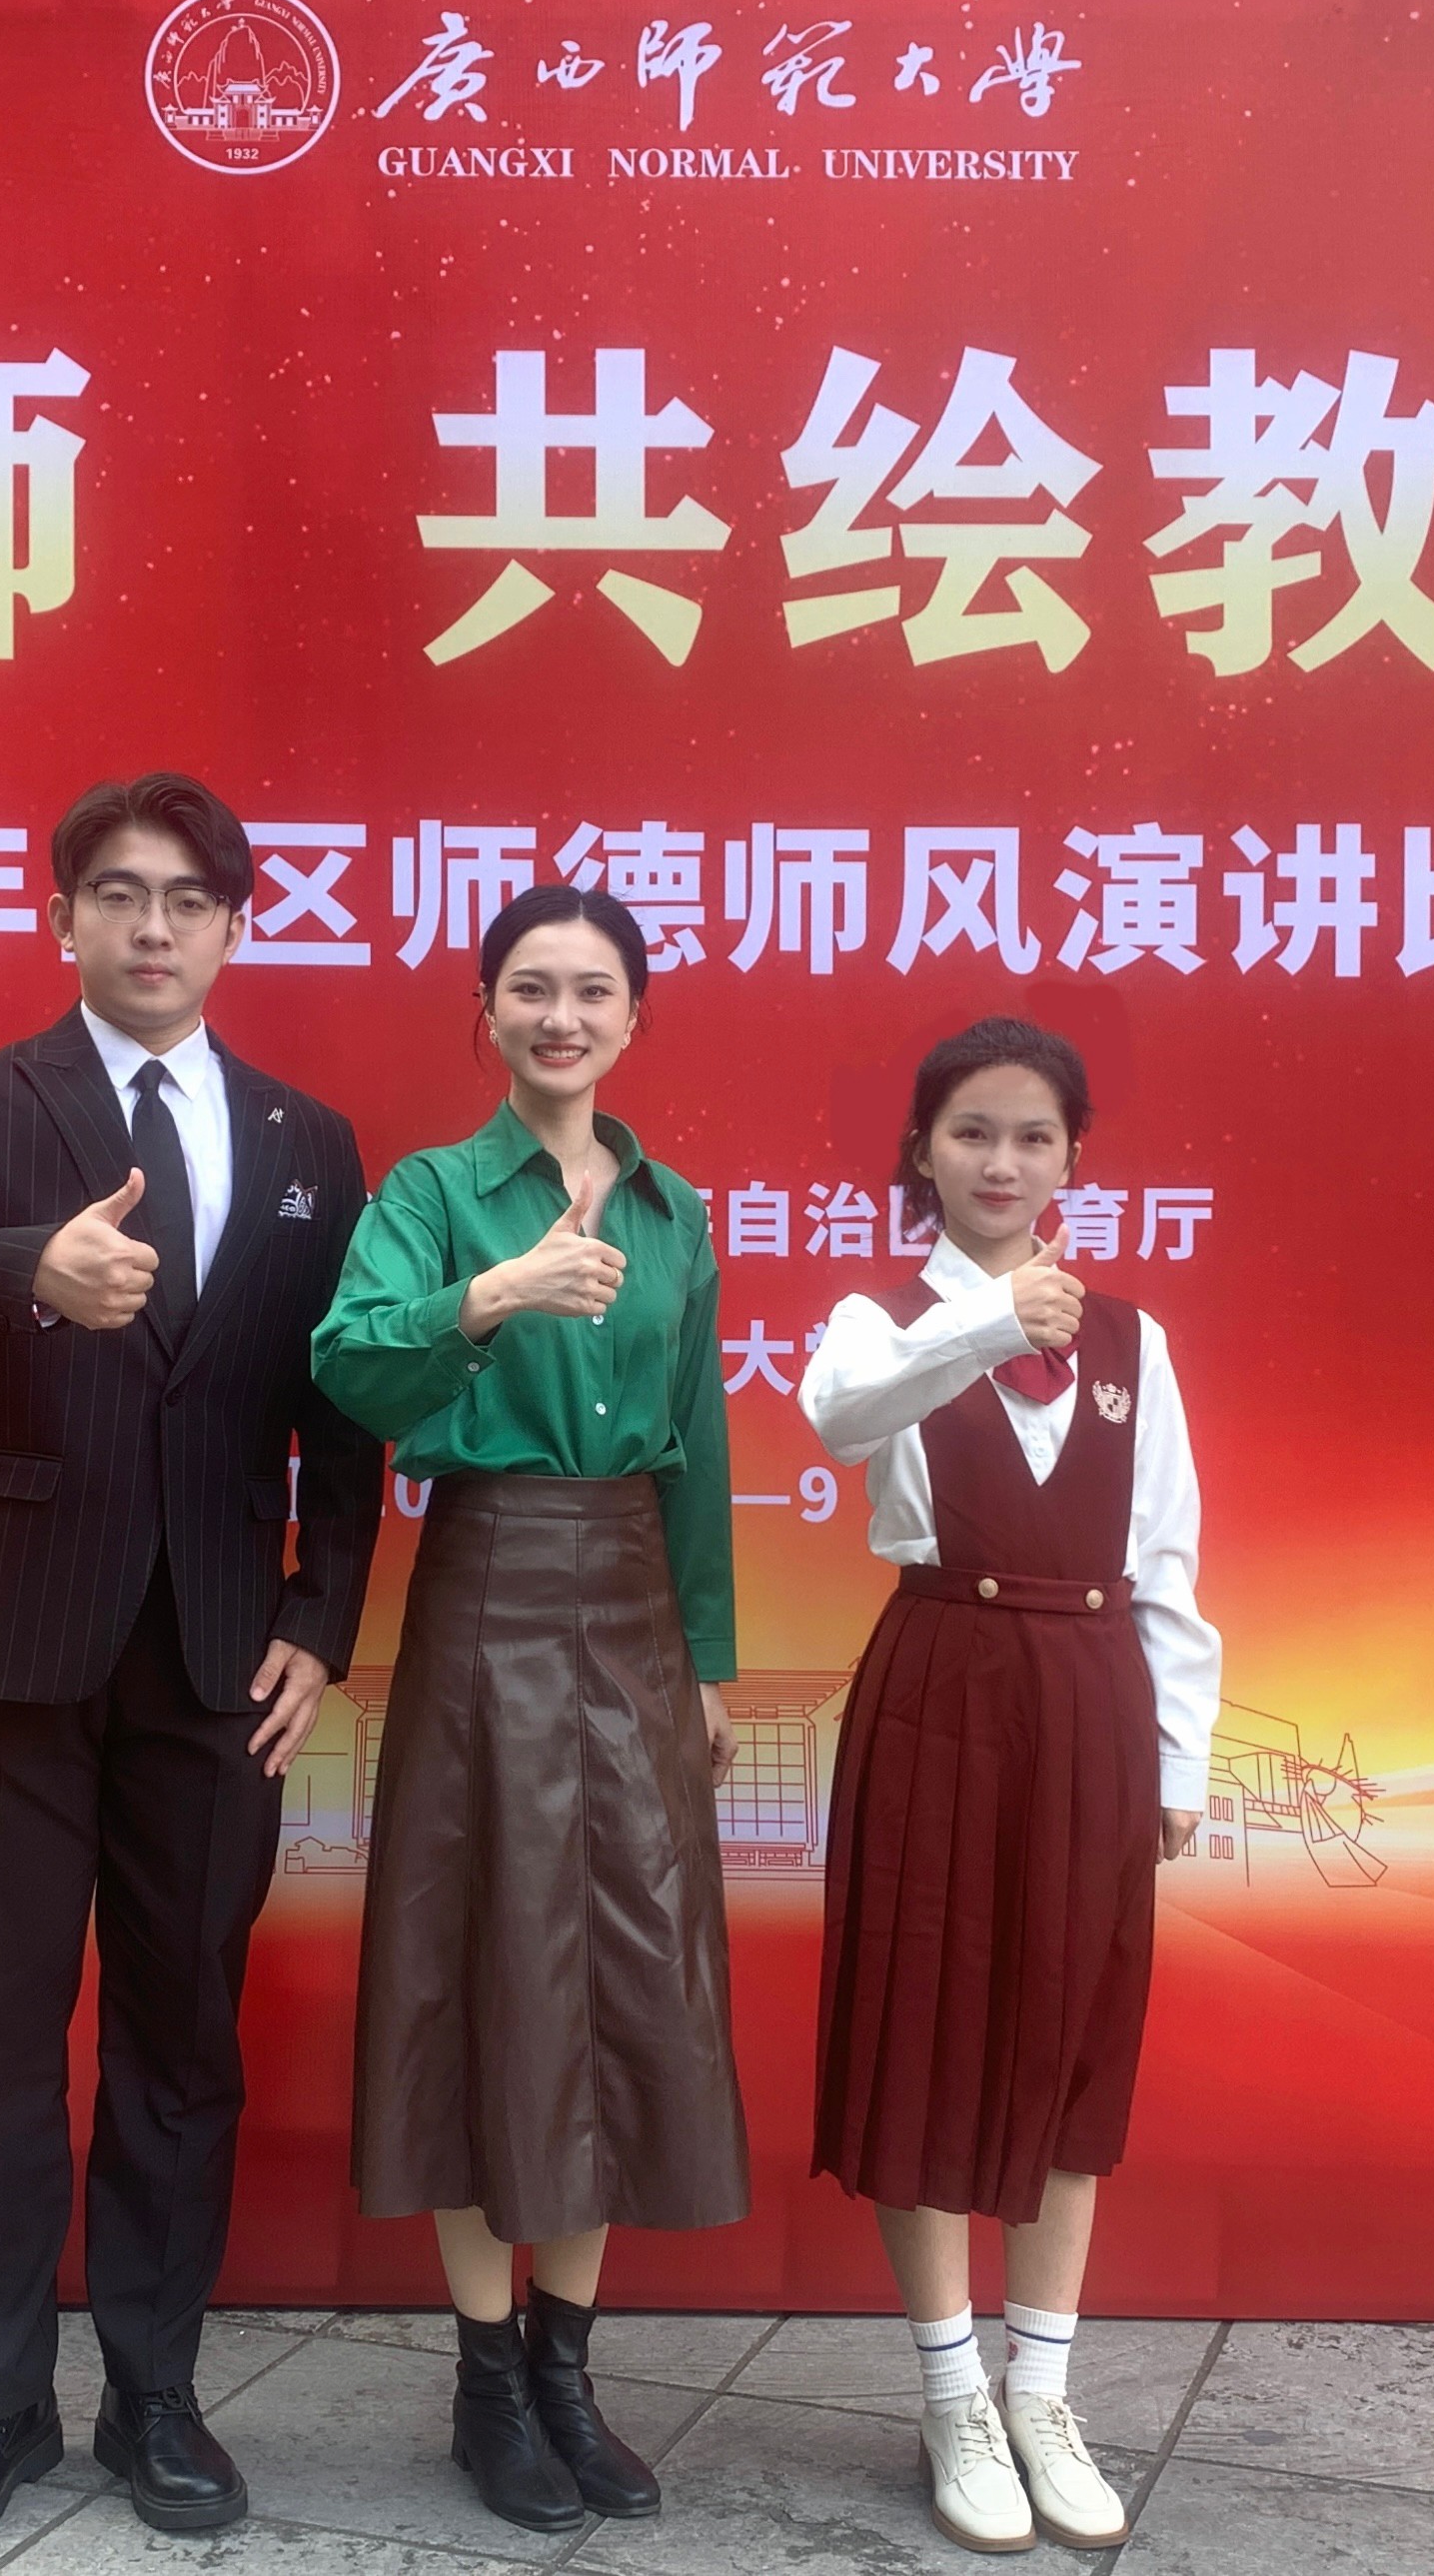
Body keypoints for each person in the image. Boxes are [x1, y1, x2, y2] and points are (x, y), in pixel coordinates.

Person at [0, 770, 385, 2551]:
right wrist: (26, 1266)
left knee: (178, 2040)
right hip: (7, 1641)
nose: (155, 927)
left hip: (218, 1663)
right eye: (121, 893)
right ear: (60, 912)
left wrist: (319, 1619)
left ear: (234, 926)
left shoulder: (307, 1139)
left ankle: (155, 2393)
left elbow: (342, 1402)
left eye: (189, 900)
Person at [309, 882, 749, 2535]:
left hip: (632, 1598)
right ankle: (485, 2383)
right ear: (485, 1011)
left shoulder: (675, 1212)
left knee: (624, 1979)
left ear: (634, 1015)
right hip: (487, 1580)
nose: (561, 1017)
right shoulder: (432, 1192)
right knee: (483, 1964)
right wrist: (488, 1295)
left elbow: (698, 1446)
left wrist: (707, 1657)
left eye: (592, 990)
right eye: (530, 989)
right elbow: (349, 1362)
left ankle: (568, 2371)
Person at [795, 1016, 1220, 2555]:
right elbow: (839, 1415)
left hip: (1090, 1696)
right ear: (921, 1151)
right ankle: (951, 2391)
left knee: (1066, 2031)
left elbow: (1166, 1555)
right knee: (926, 2027)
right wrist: (985, 1322)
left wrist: (1176, 1753)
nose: (1001, 1161)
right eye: (971, 1131)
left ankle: (1042, 2388)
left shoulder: (1132, 1342)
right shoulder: (878, 1320)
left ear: (1071, 1160)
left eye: (1033, 1136)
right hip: (941, 1688)